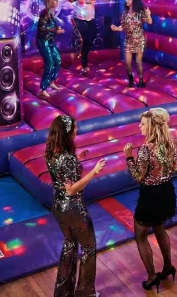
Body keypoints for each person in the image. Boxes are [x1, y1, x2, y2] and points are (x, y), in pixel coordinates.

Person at [44, 115, 106, 297]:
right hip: (73, 208)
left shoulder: (51, 152)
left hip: (58, 207)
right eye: (75, 127)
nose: (77, 130)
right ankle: (85, 293)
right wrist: (94, 172)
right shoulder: (67, 159)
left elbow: (61, 171)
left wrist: (76, 158)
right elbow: (71, 189)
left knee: (69, 244)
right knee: (88, 247)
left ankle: (63, 292)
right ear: (67, 131)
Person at [124, 108, 177, 292]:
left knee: (140, 235)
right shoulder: (169, 144)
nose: (139, 126)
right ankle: (168, 266)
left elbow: (137, 176)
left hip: (150, 195)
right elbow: (175, 167)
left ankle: (151, 277)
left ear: (152, 127)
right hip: (167, 191)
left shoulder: (146, 149)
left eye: (142, 124)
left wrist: (128, 157)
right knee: (159, 228)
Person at [110, 0, 152, 87]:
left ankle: (141, 80)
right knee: (127, 63)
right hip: (128, 40)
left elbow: (149, 22)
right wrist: (116, 28)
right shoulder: (124, 14)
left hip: (139, 40)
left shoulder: (140, 13)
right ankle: (130, 79)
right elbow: (123, 27)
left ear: (134, 1)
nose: (126, 1)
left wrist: (148, 14)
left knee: (138, 62)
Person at [69, 0, 108, 76]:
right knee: (86, 39)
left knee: (92, 37)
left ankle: (83, 53)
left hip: (90, 19)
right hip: (79, 19)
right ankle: (84, 64)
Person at [37, 0, 65, 99]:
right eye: (56, 0)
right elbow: (41, 28)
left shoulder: (52, 13)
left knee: (57, 60)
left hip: (50, 41)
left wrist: (57, 29)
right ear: (50, 1)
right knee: (49, 63)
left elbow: (50, 27)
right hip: (43, 41)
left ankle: (51, 82)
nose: (58, 2)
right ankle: (43, 89)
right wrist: (55, 30)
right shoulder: (45, 13)